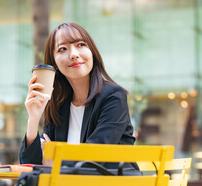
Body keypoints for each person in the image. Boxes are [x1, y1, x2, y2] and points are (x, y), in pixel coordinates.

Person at [19, 22, 137, 170]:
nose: (74, 54)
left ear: (92, 52)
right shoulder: (59, 105)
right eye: (62, 49)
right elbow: (31, 165)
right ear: (54, 63)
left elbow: (93, 159)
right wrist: (34, 118)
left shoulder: (113, 97)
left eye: (80, 45)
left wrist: (54, 162)